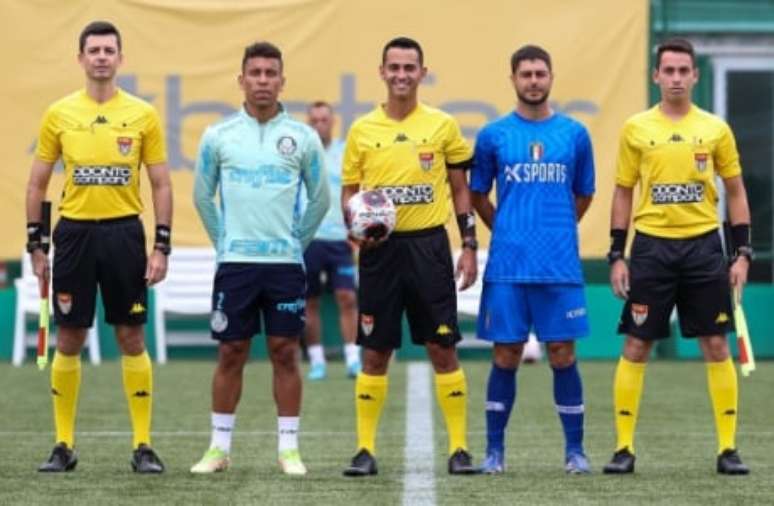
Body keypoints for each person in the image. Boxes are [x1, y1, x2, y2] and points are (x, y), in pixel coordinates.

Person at [26, 21, 171, 474]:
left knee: (130, 336)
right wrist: (36, 244)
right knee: (69, 337)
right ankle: (63, 445)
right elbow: (36, 182)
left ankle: (143, 446)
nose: (102, 57)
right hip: (73, 236)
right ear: (81, 59)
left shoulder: (142, 114)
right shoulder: (59, 113)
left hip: (125, 235)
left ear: (121, 58)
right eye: (94, 50)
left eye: (109, 49)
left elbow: (162, 183)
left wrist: (161, 245)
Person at [603, 37, 752, 475]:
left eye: (683, 71)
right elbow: (623, 191)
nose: (676, 78)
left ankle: (727, 449)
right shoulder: (636, 128)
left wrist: (742, 253)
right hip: (651, 248)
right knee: (636, 343)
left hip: (705, 247)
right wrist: (617, 253)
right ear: (655, 76)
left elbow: (737, 191)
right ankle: (623, 449)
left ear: (695, 75)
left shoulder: (715, 128)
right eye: (668, 71)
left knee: (715, 344)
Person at [341, 36, 478, 477]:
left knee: (442, 347)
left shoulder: (442, 126)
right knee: (375, 352)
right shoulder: (362, 130)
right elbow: (349, 192)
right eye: (394, 67)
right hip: (381, 253)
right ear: (382, 72)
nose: (401, 74)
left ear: (422, 72)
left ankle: (459, 449)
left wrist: (470, 245)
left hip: (429, 248)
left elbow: (460, 190)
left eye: (409, 67)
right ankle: (364, 450)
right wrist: (356, 227)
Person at [190, 42, 329, 476]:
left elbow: (320, 200)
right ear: (242, 80)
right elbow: (202, 196)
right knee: (231, 352)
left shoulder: (303, 138)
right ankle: (218, 448)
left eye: (271, 73)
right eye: (255, 73)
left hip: (285, 266)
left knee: (284, 352)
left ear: (282, 81)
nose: (263, 81)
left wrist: (294, 243)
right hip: (236, 264)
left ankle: (289, 449)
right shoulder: (218, 136)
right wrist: (225, 243)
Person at [470, 45, 595, 475]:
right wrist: (504, 228)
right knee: (506, 353)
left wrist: (556, 229)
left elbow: (585, 194)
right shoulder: (493, 135)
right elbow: (476, 194)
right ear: (513, 79)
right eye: (526, 74)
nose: (534, 81)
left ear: (552, 77)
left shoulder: (574, 134)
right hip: (508, 265)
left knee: (562, 351)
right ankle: (494, 453)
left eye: (541, 73)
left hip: (558, 266)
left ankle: (575, 452)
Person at [303, 101, 360, 381]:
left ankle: (352, 359)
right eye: (314, 120)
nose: (319, 124)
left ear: (332, 122)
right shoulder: (300, 155)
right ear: (307, 122)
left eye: (324, 119)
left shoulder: (344, 152)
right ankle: (317, 361)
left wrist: (355, 231)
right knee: (309, 301)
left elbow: (355, 192)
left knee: (347, 297)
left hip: (340, 239)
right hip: (309, 239)